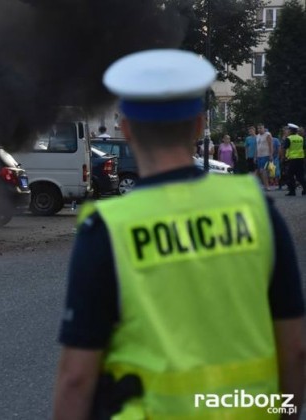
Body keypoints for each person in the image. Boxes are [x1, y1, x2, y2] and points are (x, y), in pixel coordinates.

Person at [52, 49, 305, 420]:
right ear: (200, 125)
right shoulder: (254, 206)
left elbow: (76, 377)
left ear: (126, 129)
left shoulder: (107, 227)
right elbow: (296, 349)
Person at [283, 123, 306, 196]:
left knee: (290, 175)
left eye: (288, 129)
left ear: (290, 131)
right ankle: (305, 189)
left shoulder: (289, 138)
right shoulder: (301, 138)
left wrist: (284, 157)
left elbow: (285, 148)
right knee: (300, 176)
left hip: (292, 159)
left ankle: (292, 191)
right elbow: (304, 148)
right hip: (301, 159)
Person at [255, 124, 273, 191]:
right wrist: (255, 156)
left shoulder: (267, 135)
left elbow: (271, 145)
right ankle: (265, 185)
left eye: (261, 128)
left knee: (263, 171)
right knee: (260, 171)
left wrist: (271, 155)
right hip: (259, 156)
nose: (259, 129)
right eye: (258, 128)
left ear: (264, 128)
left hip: (266, 155)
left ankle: (267, 186)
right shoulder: (257, 136)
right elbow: (257, 146)